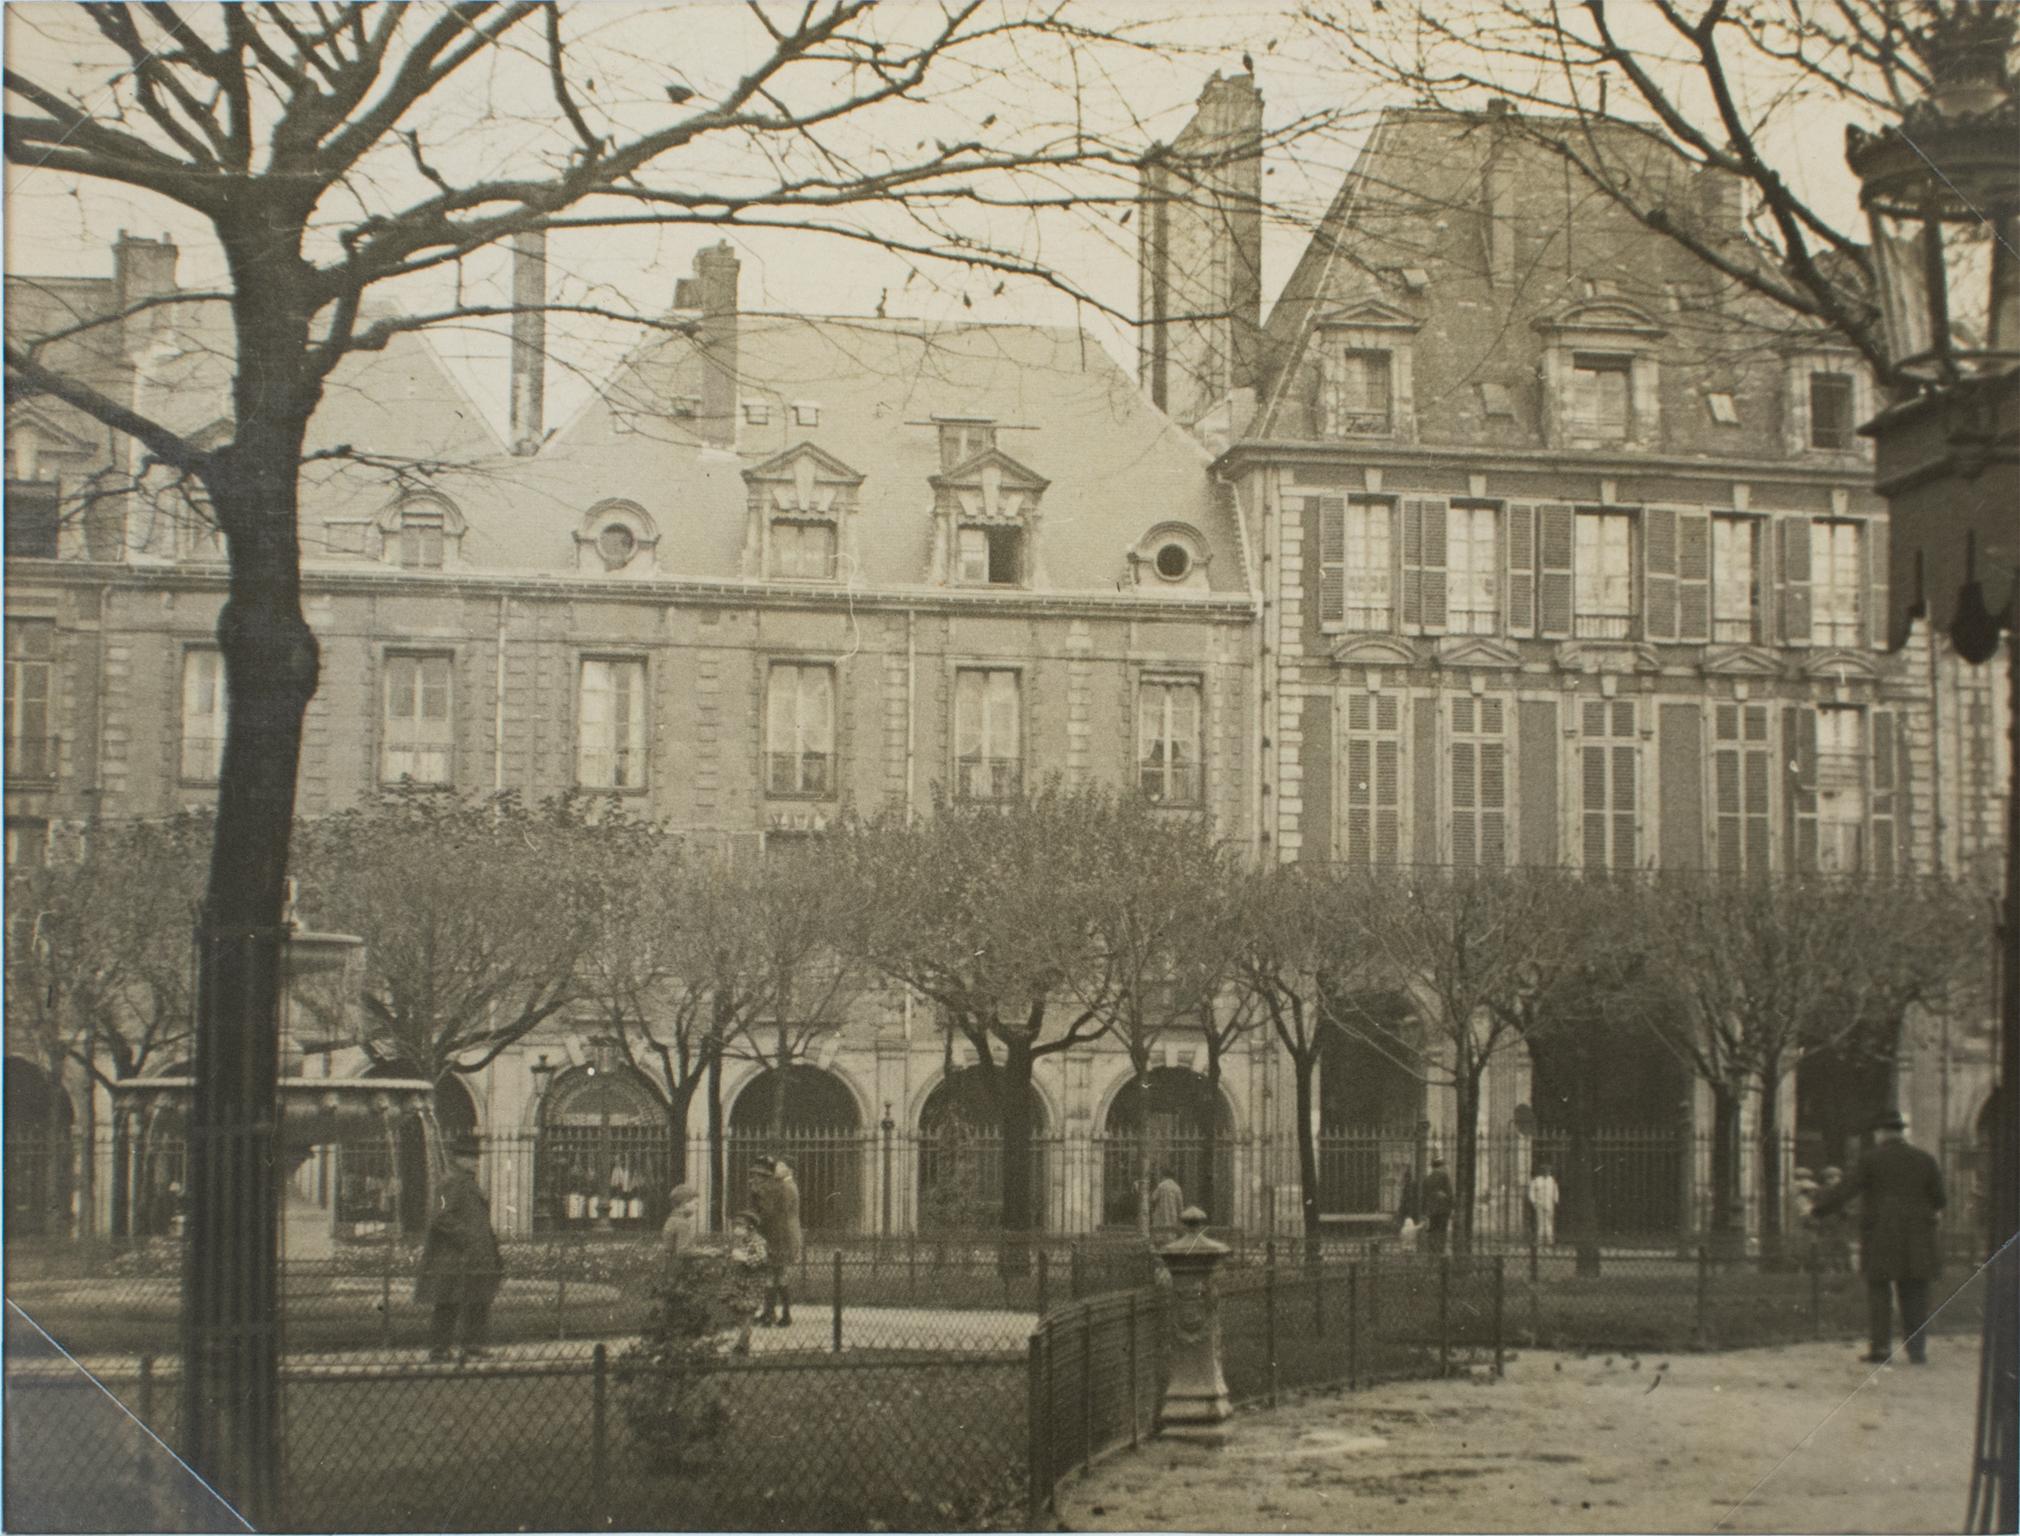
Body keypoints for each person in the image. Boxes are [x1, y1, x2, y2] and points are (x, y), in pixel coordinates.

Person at [1810, 1108, 1946, 1365]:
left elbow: (1846, 1190)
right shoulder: (1925, 1160)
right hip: (1918, 1236)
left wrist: (1818, 1209)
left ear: (1881, 1133)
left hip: (1882, 1234)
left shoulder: (1871, 1160)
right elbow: (1940, 1199)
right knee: (1915, 1291)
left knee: (1879, 1291)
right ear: (1901, 1132)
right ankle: (1917, 1350)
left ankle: (1881, 1349)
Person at [415, 1131, 503, 1363]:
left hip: (472, 1255)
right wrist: (467, 1238)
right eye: (471, 1157)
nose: (476, 1161)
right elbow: (440, 1216)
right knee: (449, 1302)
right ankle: (440, 1348)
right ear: (458, 1159)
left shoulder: (465, 1182)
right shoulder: (452, 1182)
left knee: (477, 1299)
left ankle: (472, 1344)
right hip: (456, 1256)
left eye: (476, 1157)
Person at [749, 1157, 803, 1326]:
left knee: (771, 1274)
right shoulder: (788, 1186)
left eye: (781, 1166)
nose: (776, 1169)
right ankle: (781, 1314)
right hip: (785, 1235)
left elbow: (770, 1213)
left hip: (779, 1236)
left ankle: (770, 1314)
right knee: (779, 1275)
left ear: (789, 1169)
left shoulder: (784, 1187)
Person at [1421, 1156, 1455, 1258]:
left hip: (1432, 1210)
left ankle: (1432, 1253)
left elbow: (1424, 1196)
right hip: (1443, 1209)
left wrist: (1424, 1211)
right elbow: (1449, 1193)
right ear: (1441, 1166)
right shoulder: (1444, 1176)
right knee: (1442, 1232)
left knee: (1433, 1231)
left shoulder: (1427, 1179)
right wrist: (1452, 1206)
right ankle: (1440, 1253)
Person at [1528, 1162, 1561, 1249]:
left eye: (1548, 1171)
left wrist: (1555, 1200)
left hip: (1549, 1204)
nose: (1547, 1172)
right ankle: (1540, 1242)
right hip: (1539, 1203)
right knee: (1540, 1223)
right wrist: (1534, 1202)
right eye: (1545, 1171)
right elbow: (1531, 1192)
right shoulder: (1536, 1180)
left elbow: (1555, 1191)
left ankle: (1550, 1242)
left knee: (1549, 1222)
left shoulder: (1552, 1180)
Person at [1149, 1168, 1185, 1235]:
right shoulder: (1176, 1187)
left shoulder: (1161, 1186)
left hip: (1161, 1213)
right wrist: (1181, 1216)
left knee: (1160, 1233)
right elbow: (1180, 1204)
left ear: (1164, 1176)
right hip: (1172, 1214)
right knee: (1171, 1233)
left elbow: (1153, 1198)